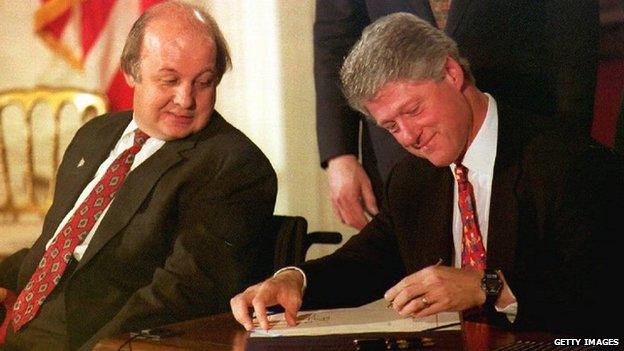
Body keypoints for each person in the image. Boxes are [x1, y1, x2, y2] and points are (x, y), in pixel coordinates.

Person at [232, 13, 621, 335]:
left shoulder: (567, 163)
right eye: (390, 127)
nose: (410, 136)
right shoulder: (412, 178)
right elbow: (363, 262)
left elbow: (601, 304)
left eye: (414, 110)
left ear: (451, 73)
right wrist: (292, 279)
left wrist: (489, 287)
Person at [0, 2, 277, 350]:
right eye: (169, 80)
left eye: (203, 82)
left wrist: (104, 346)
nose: (185, 99)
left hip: (102, 339)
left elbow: (185, 293)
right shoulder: (96, 134)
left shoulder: (233, 165)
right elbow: (58, 246)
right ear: (131, 72)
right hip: (26, 324)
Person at [315, 0, 600, 230]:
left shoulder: (555, 165)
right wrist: (340, 155)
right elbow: (334, 40)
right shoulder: (404, 159)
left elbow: (572, 38)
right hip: (401, 160)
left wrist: (568, 147)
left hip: (518, 135)